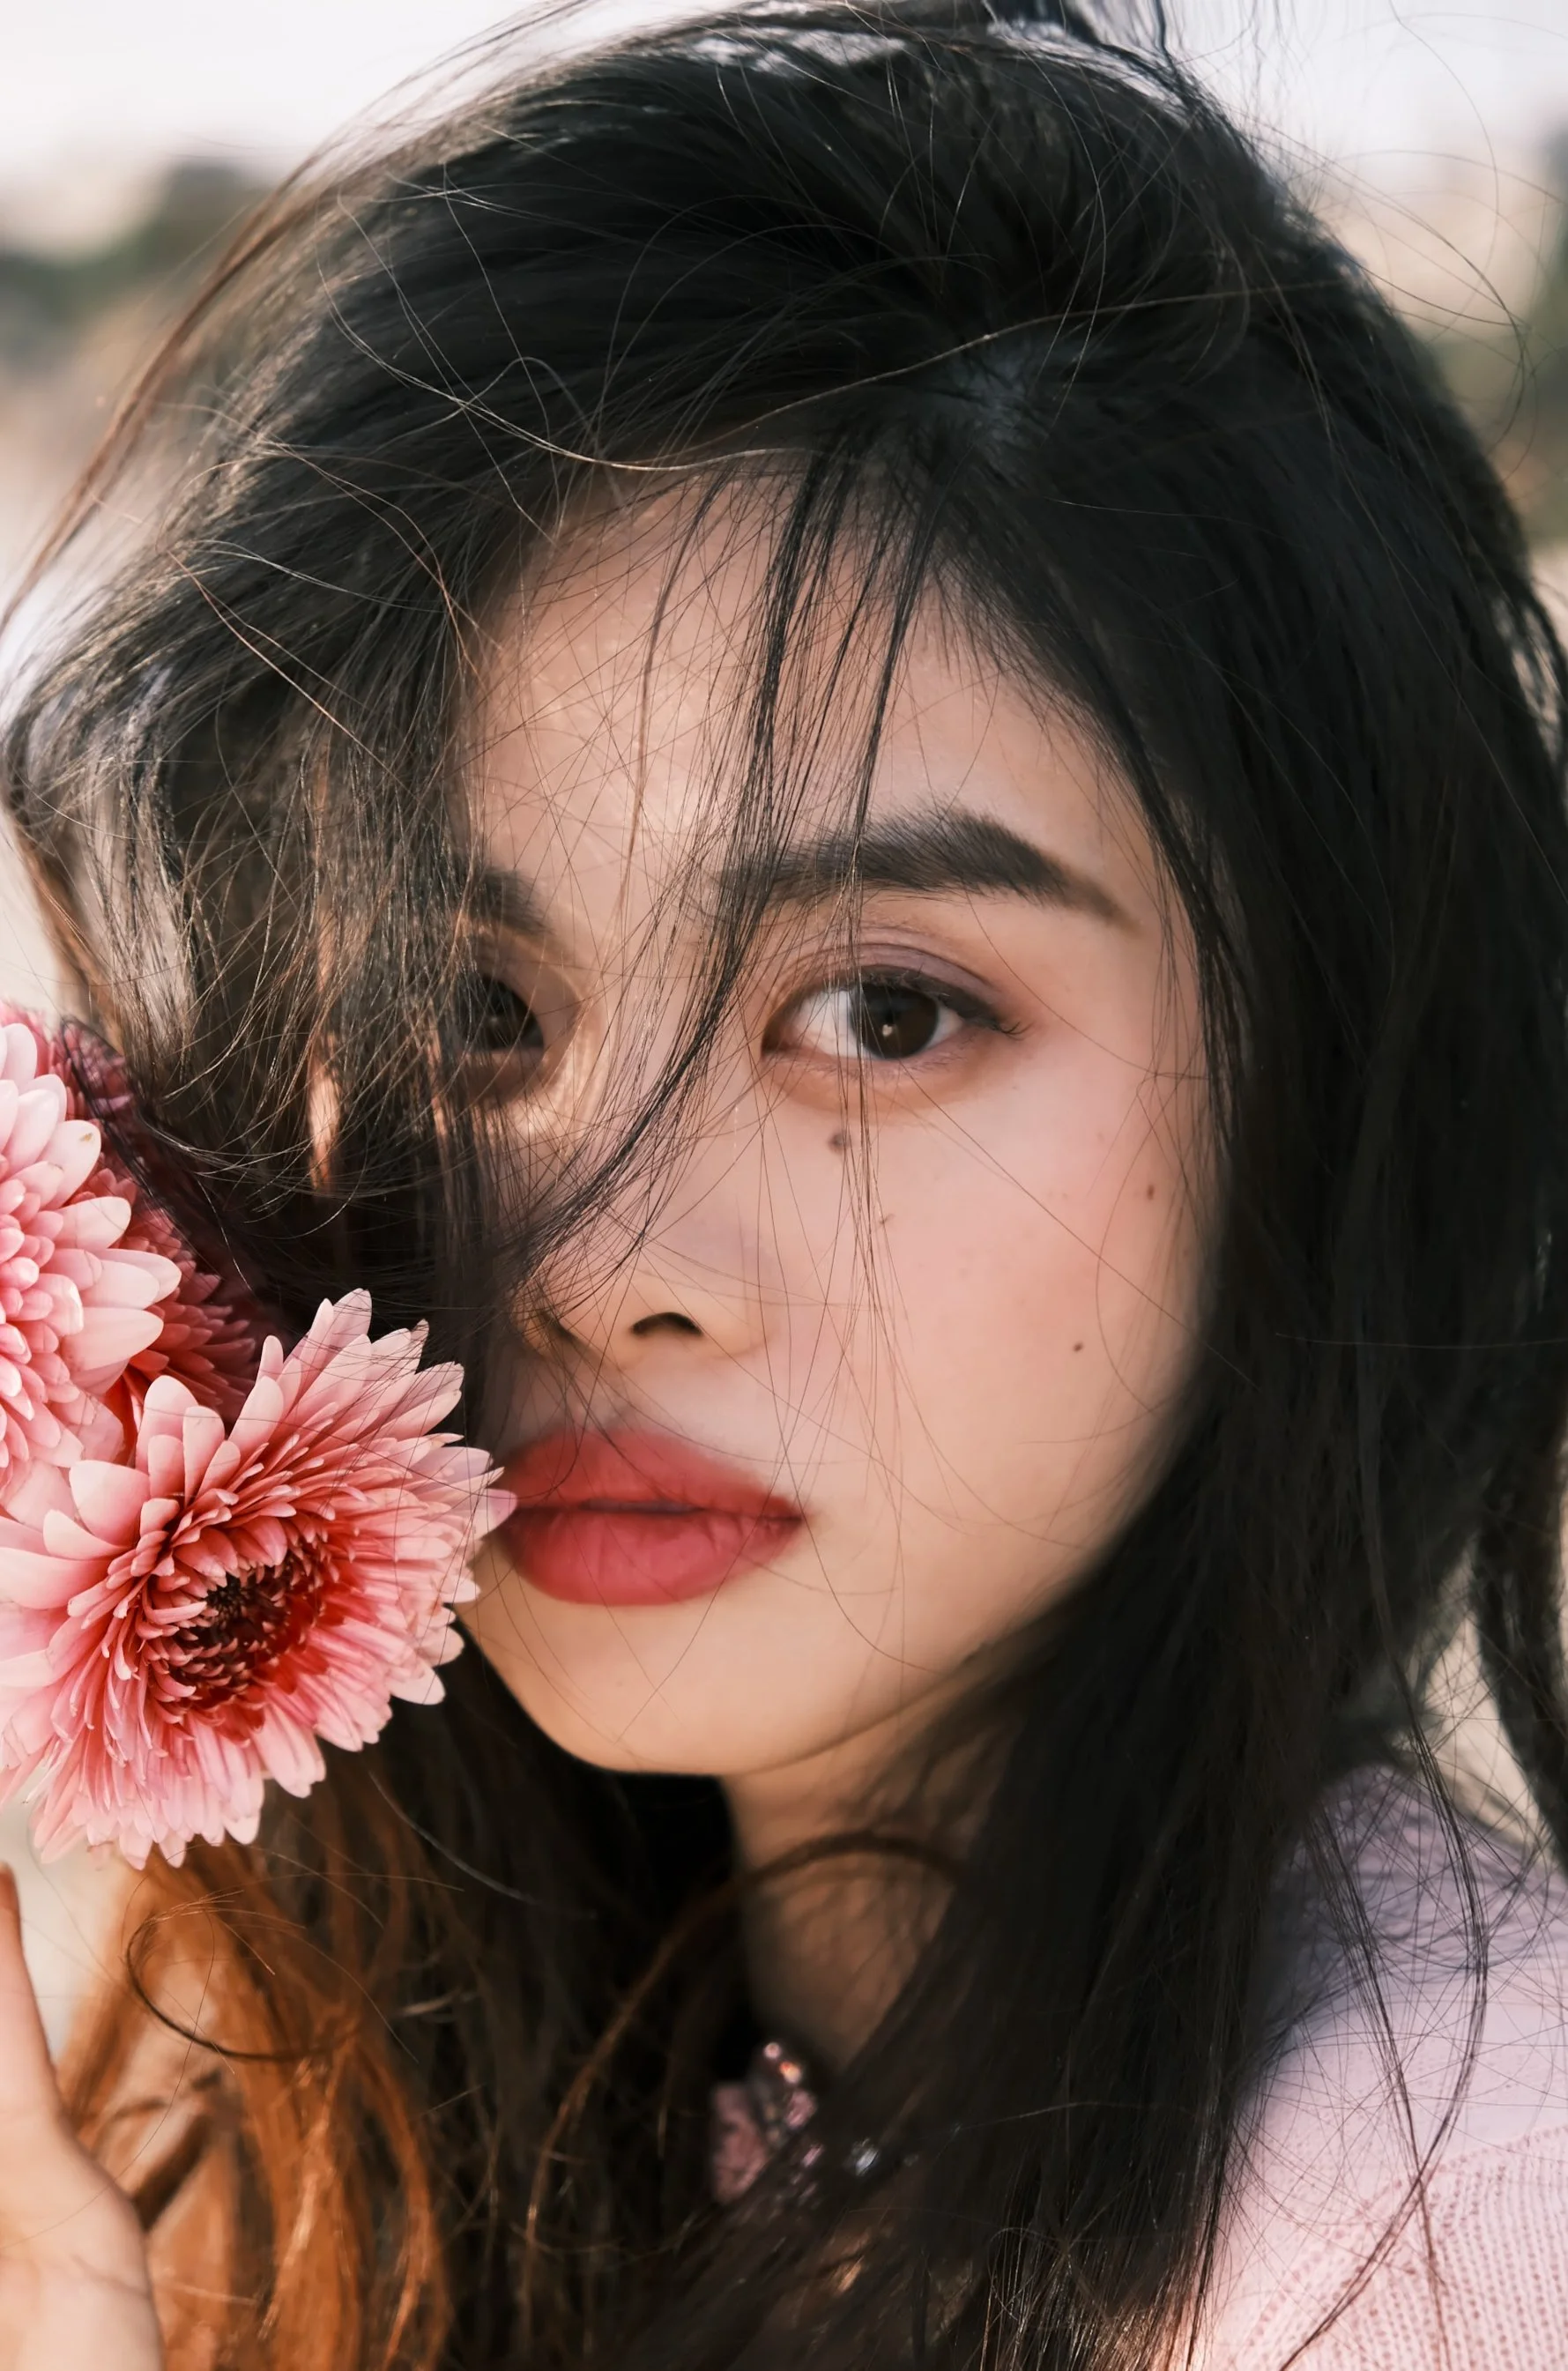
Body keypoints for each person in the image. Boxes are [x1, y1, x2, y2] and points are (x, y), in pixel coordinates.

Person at [1, 2, 1566, 2363]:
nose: (606, 1270)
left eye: (885, 1017)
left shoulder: (1437, 2222)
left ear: (1324, 1084)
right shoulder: (392, 2096)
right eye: (472, 1014)